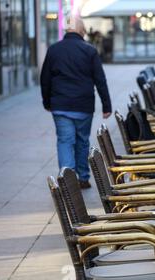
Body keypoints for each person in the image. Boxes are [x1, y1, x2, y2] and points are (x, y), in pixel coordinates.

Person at [40, 16, 112, 189]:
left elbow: (45, 79)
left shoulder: (54, 50)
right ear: (82, 31)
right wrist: (106, 105)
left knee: (65, 141)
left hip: (60, 105)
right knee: (82, 141)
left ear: (66, 30)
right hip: (83, 106)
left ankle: (68, 180)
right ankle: (83, 177)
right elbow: (100, 80)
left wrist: (47, 101)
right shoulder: (89, 51)